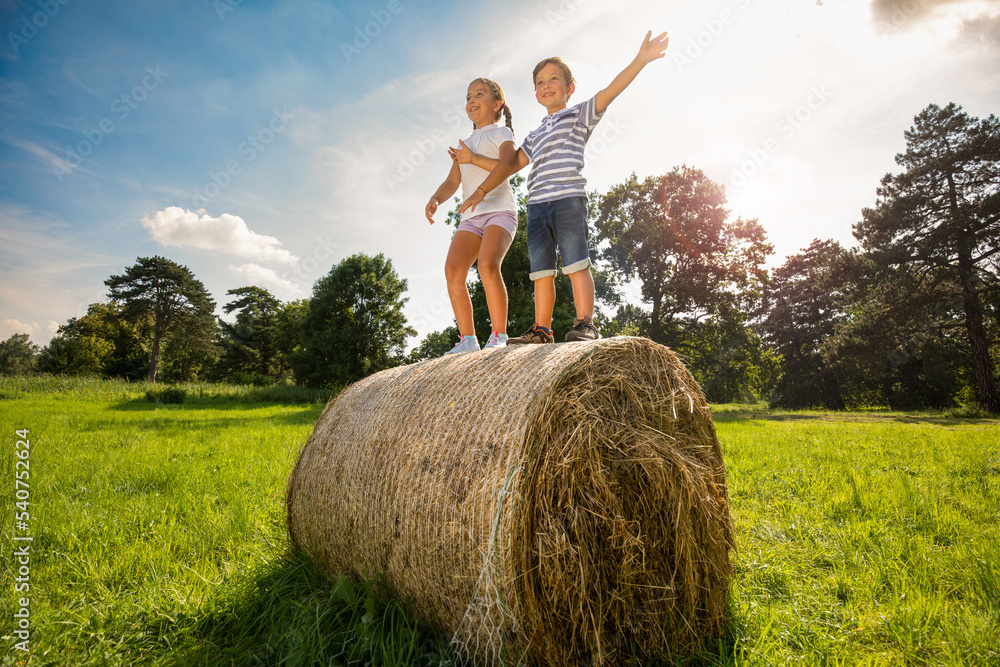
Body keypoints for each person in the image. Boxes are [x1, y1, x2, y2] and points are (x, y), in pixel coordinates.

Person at [459, 31, 669, 344]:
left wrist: (640, 60)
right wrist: (473, 158)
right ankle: (542, 330)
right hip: (537, 205)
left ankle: (586, 323)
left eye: (553, 79)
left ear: (569, 88)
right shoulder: (535, 133)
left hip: (569, 199)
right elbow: (510, 165)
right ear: (535, 94)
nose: (546, 85)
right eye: (540, 82)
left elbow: (611, 90)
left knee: (575, 263)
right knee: (541, 271)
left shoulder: (580, 113)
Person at [425, 78, 519, 354]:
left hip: (499, 211)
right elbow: (452, 182)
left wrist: (473, 162)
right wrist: (436, 198)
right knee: (453, 270)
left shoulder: (502, 134)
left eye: (479, 94)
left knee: (488, 266)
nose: (471, 100)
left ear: (497, 104)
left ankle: (499, 335)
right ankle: (468, 340)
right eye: (468, 97)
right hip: (471, 218)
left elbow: (508, 165)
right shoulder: (464, 144)